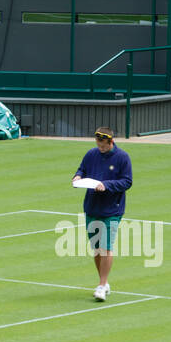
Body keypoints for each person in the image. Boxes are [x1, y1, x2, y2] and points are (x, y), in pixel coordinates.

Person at [73, 127, 133, 302]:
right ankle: (104, 283)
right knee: (97, 247)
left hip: (112, 210)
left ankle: (101, 284)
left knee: (106, 247)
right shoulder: (91, 154)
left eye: (103, 145)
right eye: (98, 144)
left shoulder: (122, 157)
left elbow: (127, 181)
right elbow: (82, 169)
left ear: (111, 142)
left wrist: (106, 185)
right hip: (92, 207)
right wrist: (77, 177)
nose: (100, 147)